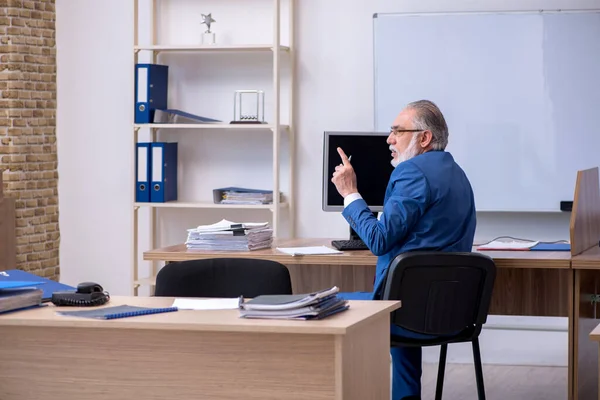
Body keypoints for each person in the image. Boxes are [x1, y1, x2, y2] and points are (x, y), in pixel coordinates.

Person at [331, 100, 476, 400]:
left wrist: (350, 194)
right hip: (450, 312)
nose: (389, 139)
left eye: (398, 131)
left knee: (319, 307)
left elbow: (379, 241)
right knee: (405, 294)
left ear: (424, 138)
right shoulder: (458, 174)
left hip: (407, 312)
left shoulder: (412, 173)